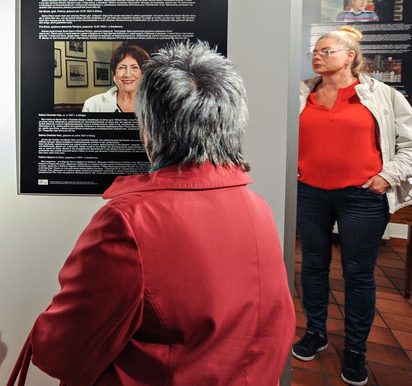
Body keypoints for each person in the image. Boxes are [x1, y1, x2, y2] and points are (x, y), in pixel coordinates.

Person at [30, 41, 295, 385]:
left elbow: (60, 349)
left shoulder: (128, 222)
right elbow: (276, 326)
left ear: (149, 125)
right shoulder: (257, 208)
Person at [294, 26, 412, 385]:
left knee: (357, 274)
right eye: (315, 52)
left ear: (350, 56)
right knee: (312, 265)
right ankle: (316, 331)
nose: (317, 56)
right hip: (310, 193)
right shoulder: (300, 93)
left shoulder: (381, 95)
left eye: (326, 51)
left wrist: (388, 177)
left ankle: (355, 349)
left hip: (362, 198)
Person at [82, 44, 149, 113]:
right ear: (113, 73)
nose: (127, 75)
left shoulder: (158, 103)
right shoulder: (92, 105)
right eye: (121, 68)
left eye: (135, 67)